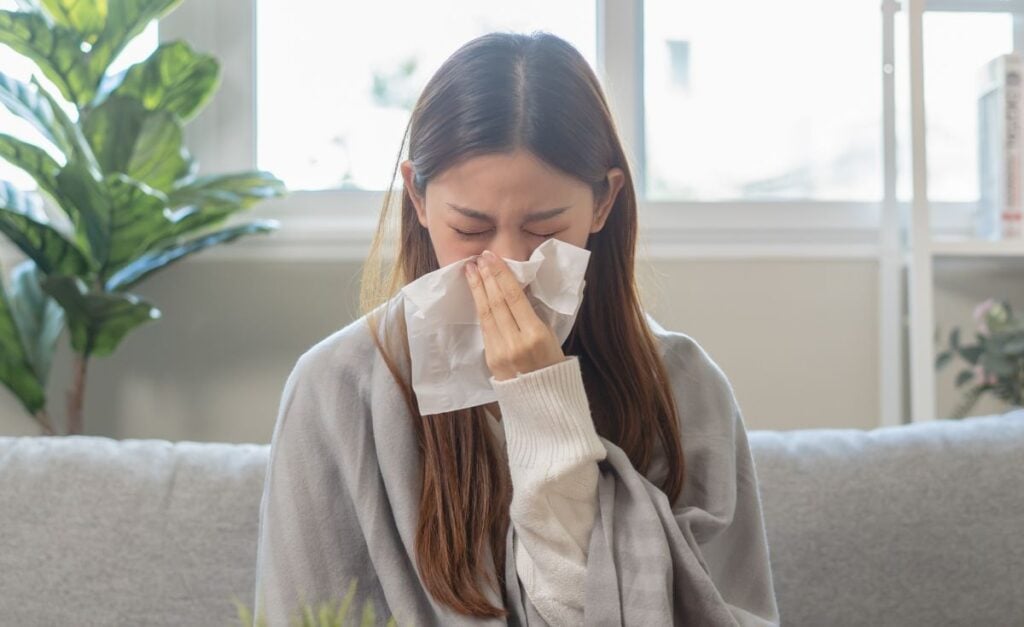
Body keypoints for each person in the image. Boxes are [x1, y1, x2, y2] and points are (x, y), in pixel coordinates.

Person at [253, 30, 781, 627]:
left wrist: (544, 410)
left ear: (603, 203)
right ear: (419, 201)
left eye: (546, 228)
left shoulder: (683, 388)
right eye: (471, 229)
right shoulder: (335, 389)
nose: (506, 265)